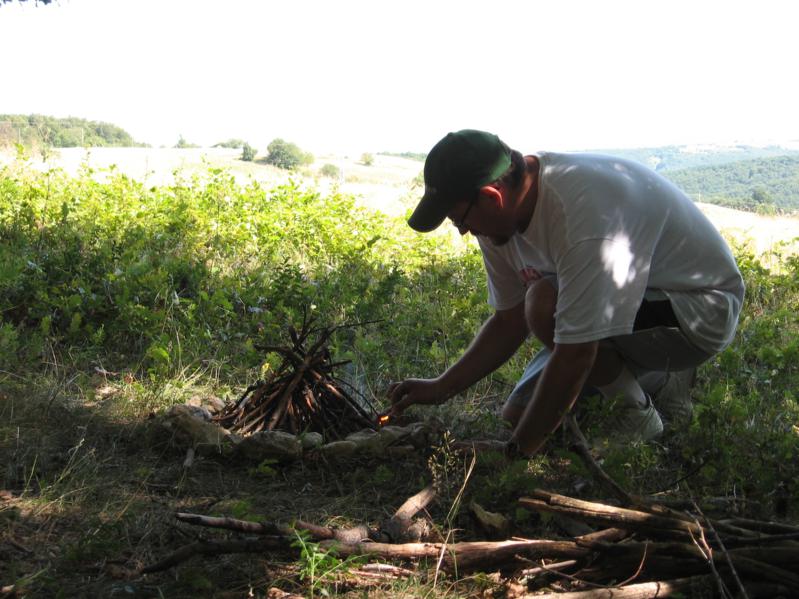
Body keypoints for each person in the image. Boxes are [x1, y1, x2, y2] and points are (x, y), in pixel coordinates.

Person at [387, 129, 744, 458]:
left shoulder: (582, 217)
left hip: (695, 312)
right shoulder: (498, 221)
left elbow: (576, 353)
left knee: (543, 302)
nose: (463, 231)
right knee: (515, 417)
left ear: (492, 197)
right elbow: (509, 321)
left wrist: (514, 454)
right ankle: (658, 383)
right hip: (629, 310)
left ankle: (637, 413)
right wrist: (441, 387)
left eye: (458, 219)